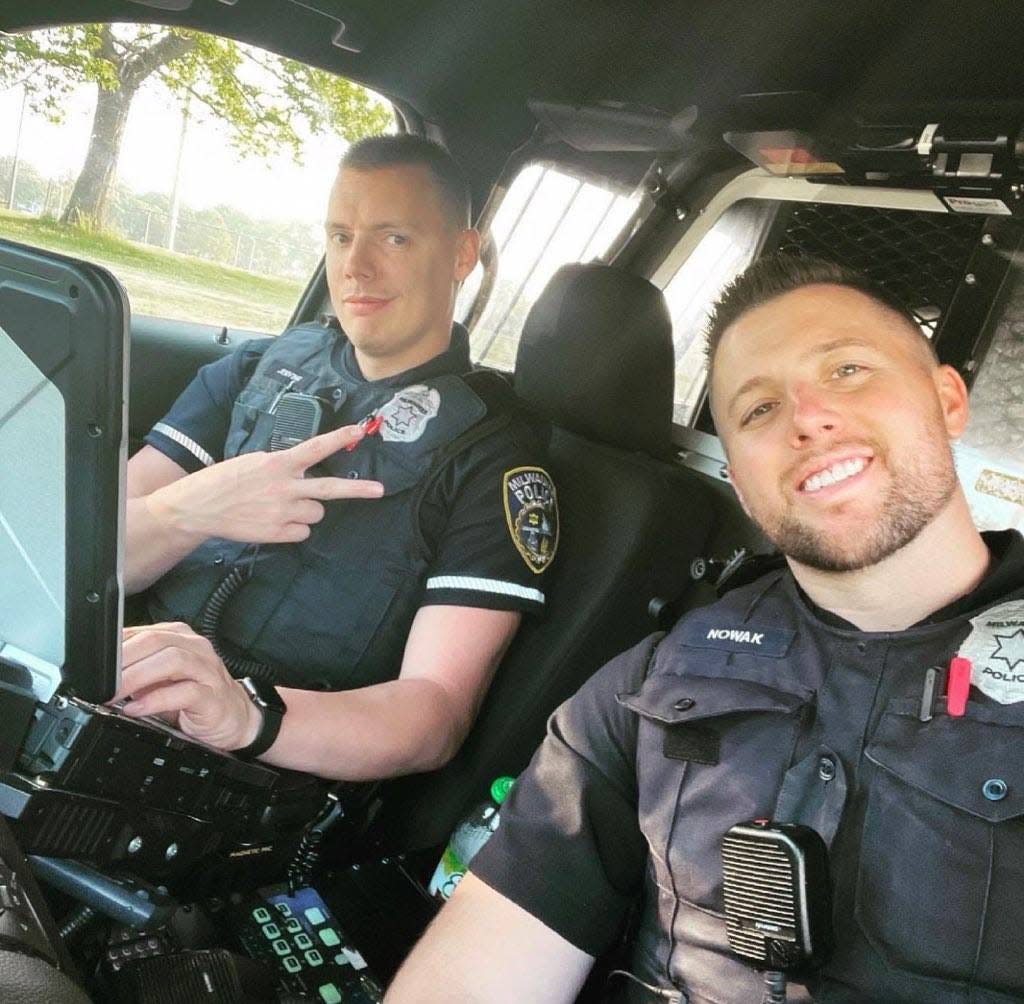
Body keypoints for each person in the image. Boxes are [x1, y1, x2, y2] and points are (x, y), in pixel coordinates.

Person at [386, 253, 1024, 1003]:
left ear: (948, 399)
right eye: (758, 410)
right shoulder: (646, 687)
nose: (807, 419)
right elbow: (481, 967)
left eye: (848, 370)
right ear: (743, 483)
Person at [115, 135, 558, 780]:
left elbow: (435, 714)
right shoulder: (256, 370)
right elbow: (82, 563)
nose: (356, 267)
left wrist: (245, 713)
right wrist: (187, 510)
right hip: (119, 685)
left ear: (463, 254)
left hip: (262, 765)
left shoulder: (494, 460)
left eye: (394, 238)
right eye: (341, 236)